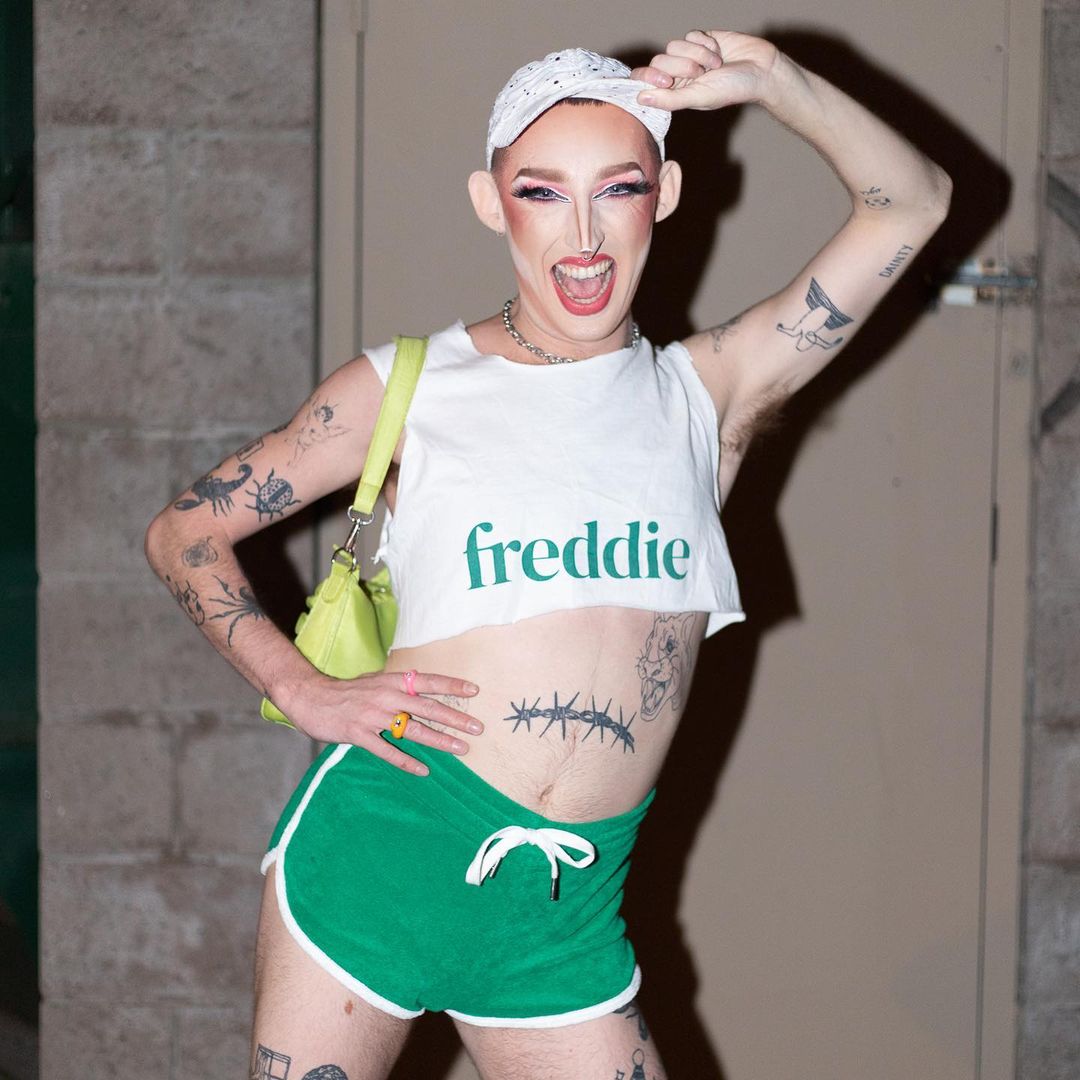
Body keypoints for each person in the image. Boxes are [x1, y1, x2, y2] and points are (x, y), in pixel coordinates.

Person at [144, 29, 950, 1080]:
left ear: (664, 195)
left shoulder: (708, 395)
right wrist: (299, 689)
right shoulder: (407, 388)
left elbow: (913, 203)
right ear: (492, 203)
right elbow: (185, 532)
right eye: (541, 192)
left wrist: (776, 83)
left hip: (565, 915)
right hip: (385, 856)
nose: (583, 234)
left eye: (617, 189)